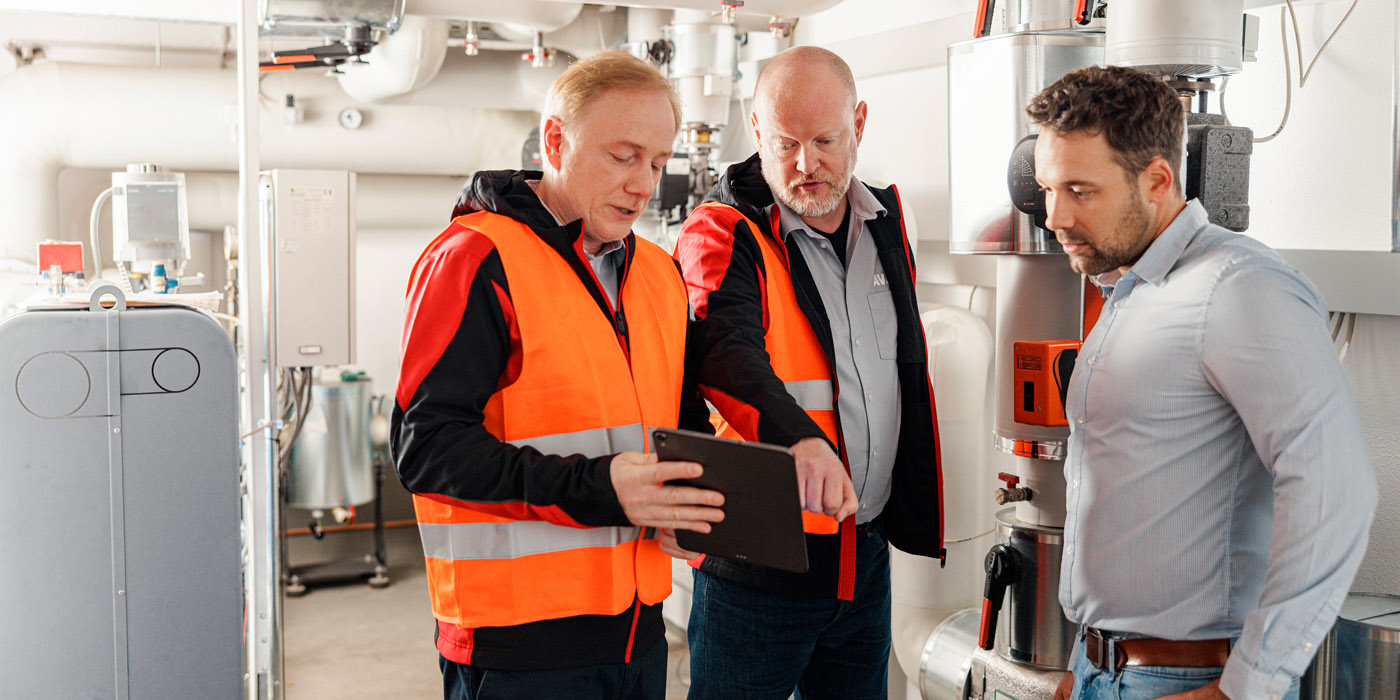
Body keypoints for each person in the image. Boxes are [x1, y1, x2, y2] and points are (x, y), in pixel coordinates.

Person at [1028, 65, 1377, 700]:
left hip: (1191, 680)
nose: (1055, 217)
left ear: (1157, 179)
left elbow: (1335, 486)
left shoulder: (1238, 288)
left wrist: (1247, 688)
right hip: (1105, 671)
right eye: (1048, 188)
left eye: (1080, 190)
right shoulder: (1129, 289)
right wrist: (1089, 666)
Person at [391, 51, 725, 700]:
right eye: (623, 156)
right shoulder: (476, 258)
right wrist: (601, 487)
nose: (643, 185)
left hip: (638, 631)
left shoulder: (658, 274)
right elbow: (425, 449)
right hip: (519, 648)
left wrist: (686, 507)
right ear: (555, 141)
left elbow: (677, 424)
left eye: (658, 163)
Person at [671, 46, 945, 700]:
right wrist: (801, 441)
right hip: (756, 573)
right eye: (786, 142)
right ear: (757, 130)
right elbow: (724, 353)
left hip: (863, 559)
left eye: (825, 140)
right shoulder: (724, 232)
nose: (806, 164)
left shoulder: (888, 225)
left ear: (860, 122)